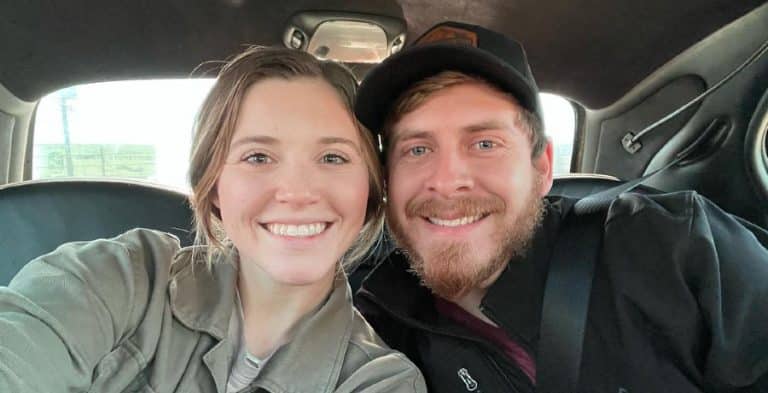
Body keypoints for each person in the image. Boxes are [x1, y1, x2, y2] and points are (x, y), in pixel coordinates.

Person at [353, 21, 768, 392]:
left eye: (485, 144)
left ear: (543, 166)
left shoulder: (677, 246)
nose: (445, 180)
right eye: (417, 148)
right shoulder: (372, 329)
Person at [0, 46, 426, 393]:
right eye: (257, 157)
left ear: (371, 191)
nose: (298, 192)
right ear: (214, 187)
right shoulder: (120, 278)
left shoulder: (381, 382)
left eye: (333, 157)